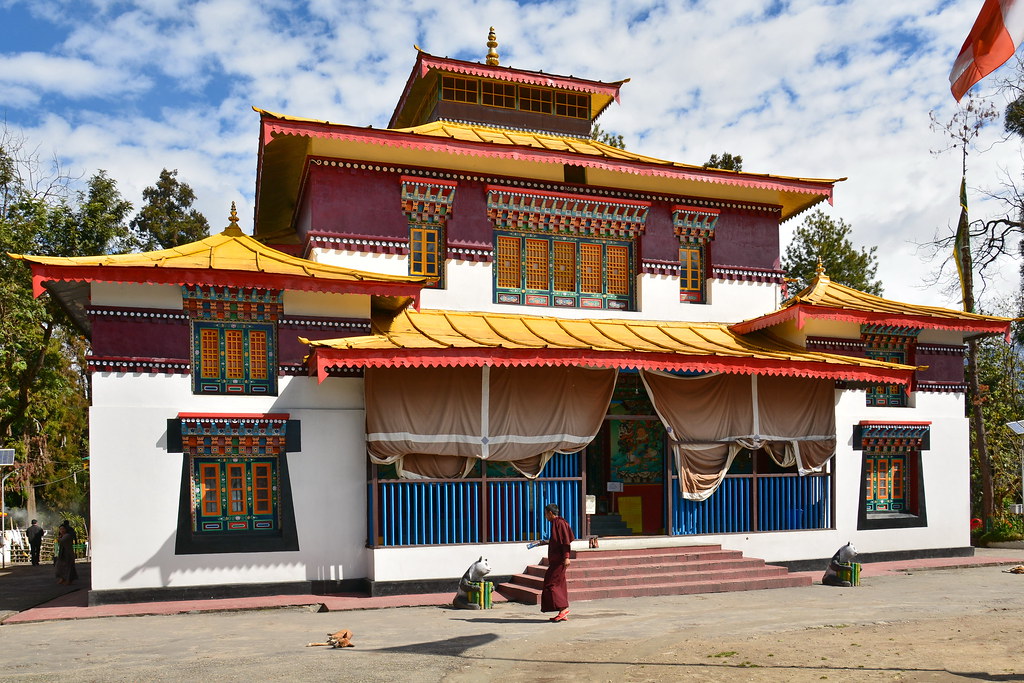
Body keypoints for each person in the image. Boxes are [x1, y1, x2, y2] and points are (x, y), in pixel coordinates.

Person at [537, 503, 574, 623]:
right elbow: (557, 541)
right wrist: (544, 542)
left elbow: (565, 542)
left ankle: (563, 609)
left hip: (559, 561)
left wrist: (567, 557)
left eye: (546, 514)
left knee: (551, 584)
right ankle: (562, 611)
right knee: (559, 585)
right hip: (556, 561)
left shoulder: (560, 523)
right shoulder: (555, 524)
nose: (545, 516)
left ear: (550, 513)